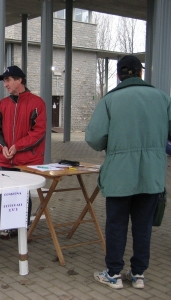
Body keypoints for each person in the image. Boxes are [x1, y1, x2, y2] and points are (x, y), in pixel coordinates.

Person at [86, 55, 171, 289]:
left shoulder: (110, 100)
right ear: (141, 73)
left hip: (119, 175)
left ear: (119, 75)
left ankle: (113, 274)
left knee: (116, 224)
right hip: (151, 175)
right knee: (143, 226)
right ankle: (138, 274)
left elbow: (94, 138)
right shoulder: (162, 98)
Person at [0, 65, 47, 240]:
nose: (5, 84)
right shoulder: (3, 104)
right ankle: (9, 226)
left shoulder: (37, 103)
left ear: (19, 80)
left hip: (27, 159)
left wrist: (17, 146)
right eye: (4, 81)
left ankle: (22, 226)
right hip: (7, 159)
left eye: (8, 80)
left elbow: (39, 132)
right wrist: (3, 147)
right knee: (8, 191)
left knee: (23, 193)